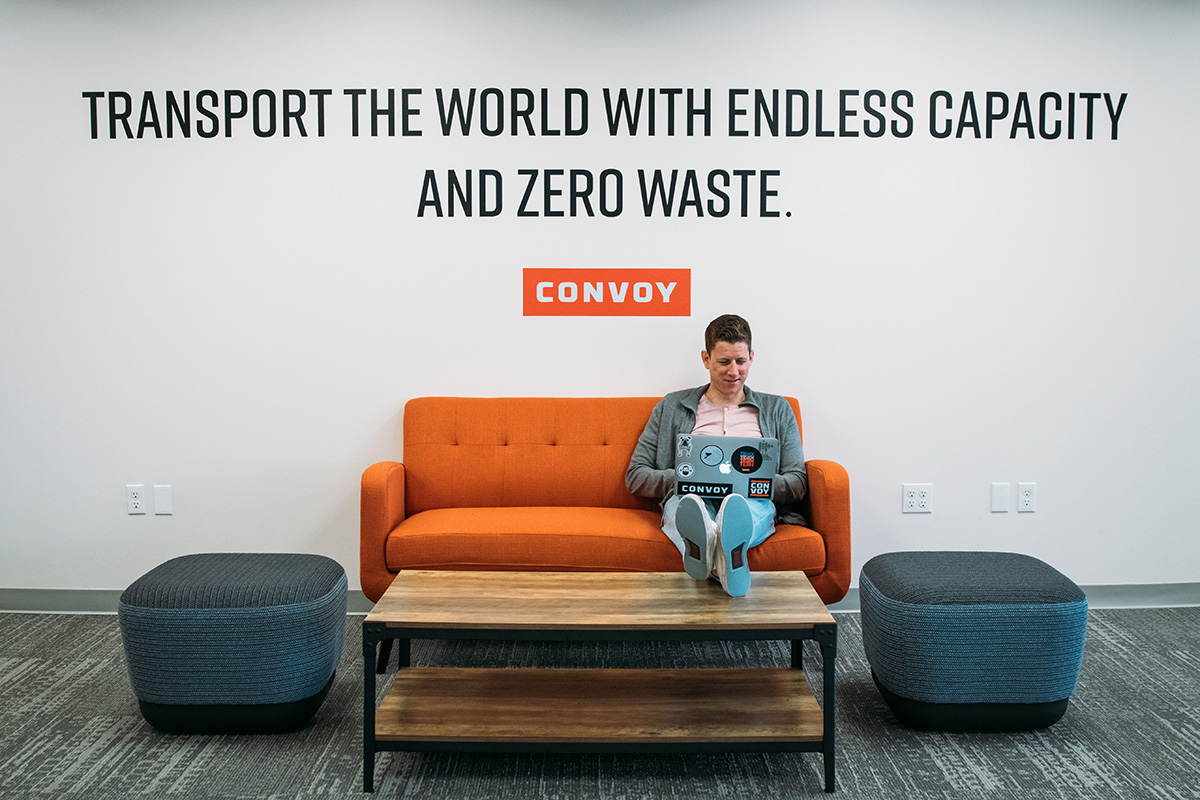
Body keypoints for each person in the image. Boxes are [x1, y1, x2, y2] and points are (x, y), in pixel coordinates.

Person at [625, 314, 808, 596]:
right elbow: (636, 476)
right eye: (723, 362)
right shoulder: (672, 406)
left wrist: (752, 481)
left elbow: (797, 483)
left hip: (751, 501)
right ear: (706, 359)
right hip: (689, 498)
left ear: (751, 357)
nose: (733, 371)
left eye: (741, 361)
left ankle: (708, 548)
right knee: (686, 506)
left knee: (740, 508)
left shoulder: (777, 409)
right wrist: (686, 477)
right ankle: (725, 554)